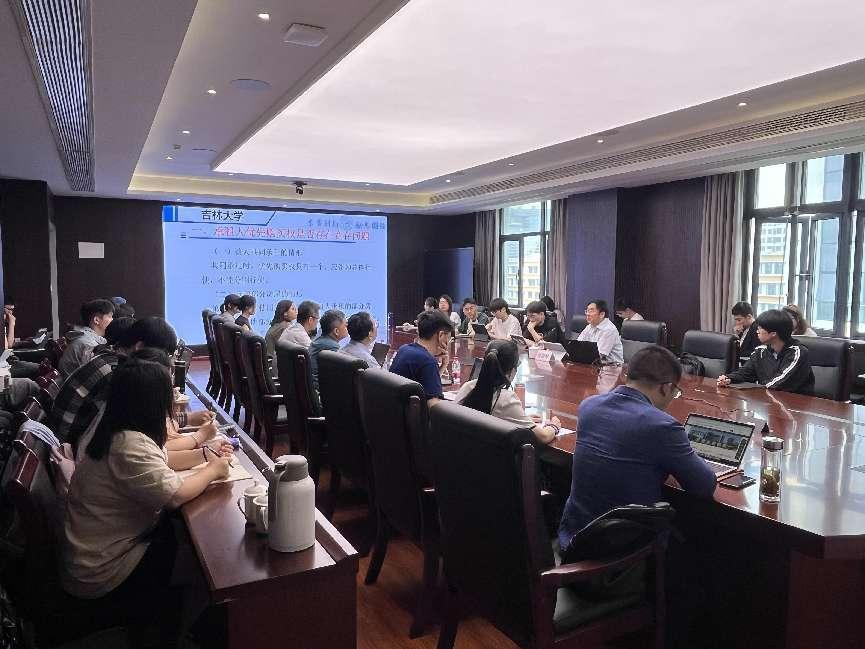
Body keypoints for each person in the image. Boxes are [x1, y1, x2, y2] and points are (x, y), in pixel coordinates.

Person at [61, 354, 232, 647]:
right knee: (209, 569)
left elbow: (164, 461)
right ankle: (176, 635)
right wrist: (213, 470)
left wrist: (207, 454)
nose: (172, 402)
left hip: (101, 553)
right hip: (104, 570)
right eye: (168, 396)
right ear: (151, 402)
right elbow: (176, 495)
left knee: (189, 542)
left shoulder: (122, 432)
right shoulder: (129, 445)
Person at [558, 345, 716, 548]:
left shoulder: (589, 405)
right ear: (666, 388)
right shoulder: (662, 426)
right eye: (675, 392)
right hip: (621, 548)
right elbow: (704, 486)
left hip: (574, 535)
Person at [51, 317, 214, 449]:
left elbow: (139, 419)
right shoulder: (120, 374)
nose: (165, 361)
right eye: (163, 354)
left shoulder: (112, 359)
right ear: (139, 346)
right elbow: (143, 434)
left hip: (75, 442)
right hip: (73, 447)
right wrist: (197, 437)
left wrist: (186, 418)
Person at [455, 340, 561, 443]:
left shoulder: (468, 386)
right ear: (512, 370)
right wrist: (553, 426)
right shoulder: (506, 400)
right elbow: (544, 437)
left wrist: (522, 419)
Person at [718, 309, 815, 395]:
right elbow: (745, 373)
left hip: (797, 404)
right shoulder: (761, 351)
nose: (757, 331)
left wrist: (757, 391)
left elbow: (779, 384)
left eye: (760, 328)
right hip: (769, 401)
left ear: (773, 333)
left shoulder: (798, 353)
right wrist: (729, 378)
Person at [389, 310, 453, 402]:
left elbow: (426, 384)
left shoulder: (404, 349)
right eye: (448, 338)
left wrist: (443, 366)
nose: (448, 342)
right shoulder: (427, 361)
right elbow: (434, 406)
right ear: (441, 335)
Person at [58, 299, 115, 377]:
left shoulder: (85, 337)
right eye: (110, 316)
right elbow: (93, 377)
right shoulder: (89, 344)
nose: (112, 320)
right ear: (96, 320)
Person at [309, 310, 348, 392]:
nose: (347, 327)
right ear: (336, 331)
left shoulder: (319, 341)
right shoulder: (332, 346)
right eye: (345, 325)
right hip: (319, 391)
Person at [577, 299, 624, 364]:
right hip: (595, 363)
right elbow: (578, 345)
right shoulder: (589, 326)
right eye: (587, 311)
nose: (587, 314)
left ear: (602, 314)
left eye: (591, 311)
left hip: (613, 366)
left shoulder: (609, 329)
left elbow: (599, 355)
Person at [265, 300, 296, 376]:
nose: (296, 311)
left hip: (270, 365)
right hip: (276, 367)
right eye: (293, 309)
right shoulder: (286, 326)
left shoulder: (277, 325)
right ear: (285, 313)